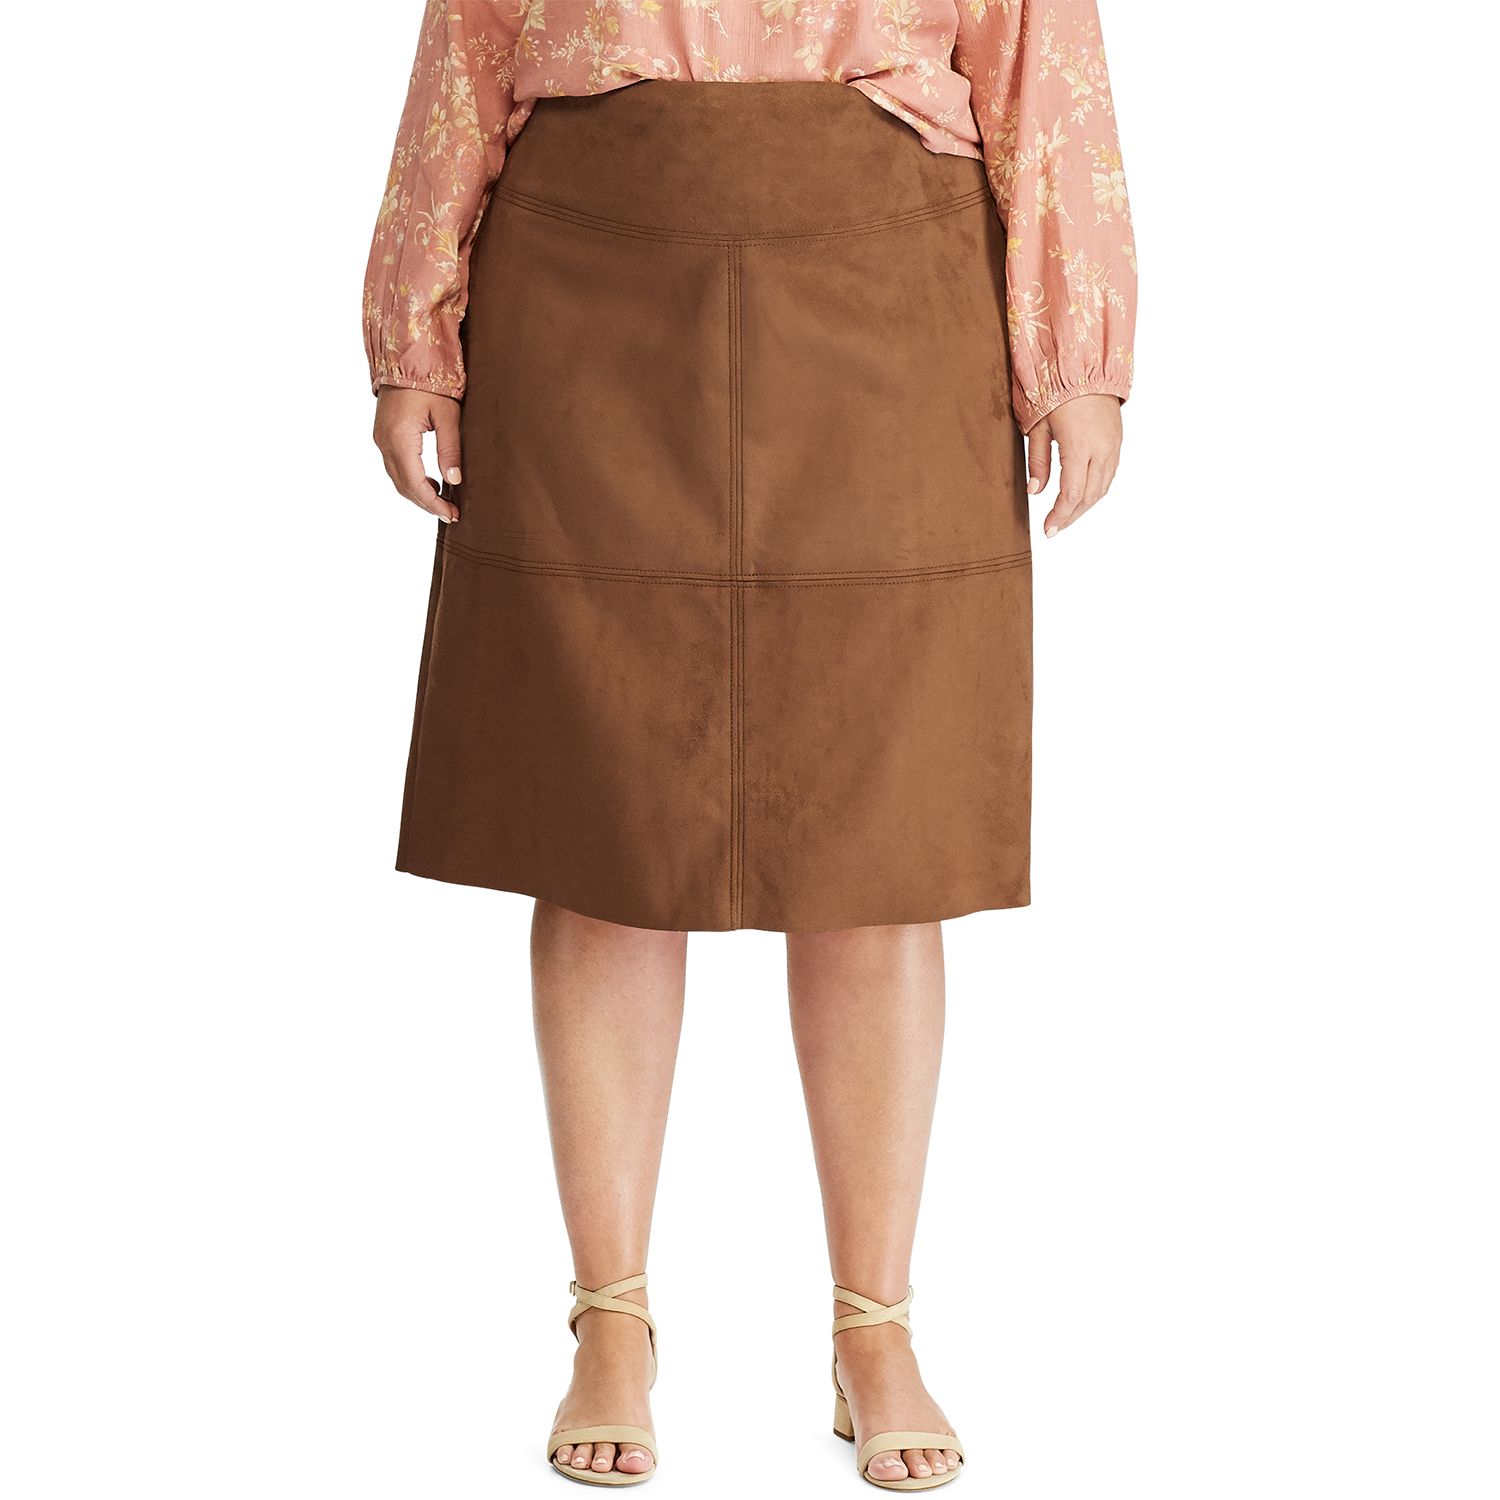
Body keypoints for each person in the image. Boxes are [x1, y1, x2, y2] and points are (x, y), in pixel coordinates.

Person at [363, 2, 1134, 1488]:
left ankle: (875, 1329)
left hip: (890, 302)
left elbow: (1044, 61)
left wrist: (1078, 351)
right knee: (601, 832)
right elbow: (467, 50)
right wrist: (416, 337)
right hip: (588, 304)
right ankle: (610, 1318)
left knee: (882, 843)